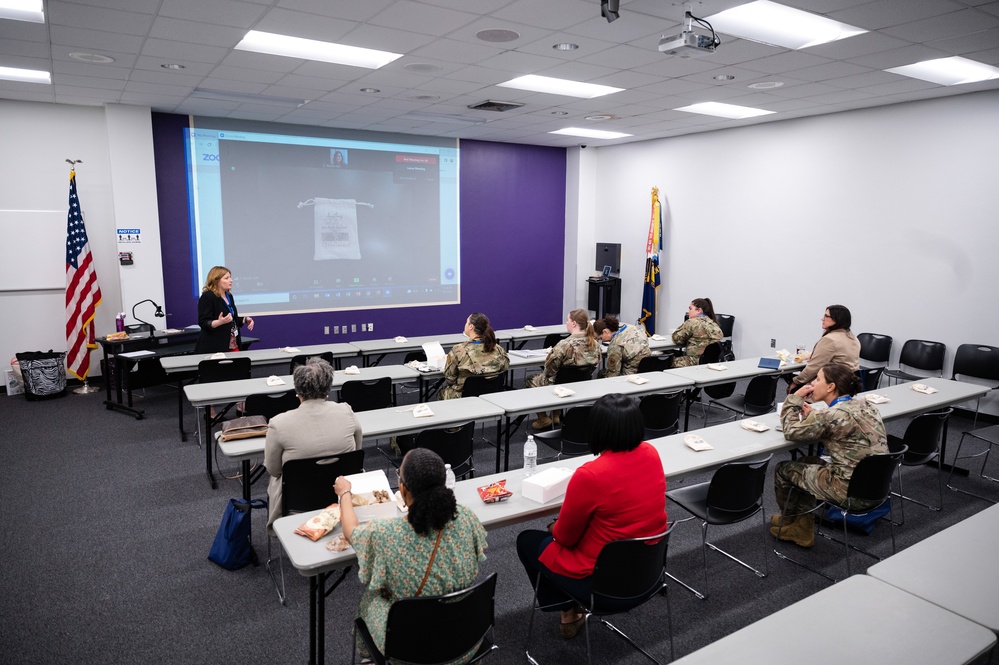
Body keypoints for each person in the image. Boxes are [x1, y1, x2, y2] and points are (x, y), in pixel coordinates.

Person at [517, 393, 667, 639]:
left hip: (605, 584)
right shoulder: (651, 452)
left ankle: (569, 613)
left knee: (528, 541)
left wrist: (553, 527)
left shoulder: (591, 474)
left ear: (597, 429)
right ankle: (570, 611)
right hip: (647, 573)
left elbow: (565, 538)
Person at [334, 449, 488, 663]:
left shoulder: (385, 533)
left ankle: (370, 658)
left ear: (404, 489)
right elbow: (476, 554)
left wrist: (344, 494)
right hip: (465, 640)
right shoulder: (466, 517)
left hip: (410, 649)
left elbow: (350, 531)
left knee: (371, 599)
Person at [771, 363, 887, 548]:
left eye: (818, 379)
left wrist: (794, 399)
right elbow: (840, 421)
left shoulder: (829, 416)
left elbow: (791, 431)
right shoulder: (866, 405)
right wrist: (817, 415)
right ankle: (800, 522)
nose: (813, 383)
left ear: (831, 386)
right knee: (807, 462)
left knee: (783, 469)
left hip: (849, 492)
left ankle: (792, 523)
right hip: (876, 489)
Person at [263, 358, 361, 531]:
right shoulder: (347, 411)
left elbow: (274, 470)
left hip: (298, 500)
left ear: (297, 389)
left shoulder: (278, 423)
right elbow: (356, 451)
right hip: (342, 493)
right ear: (328, 388)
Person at [524, 309, 602, 430]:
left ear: (574, 323)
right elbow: (596, 364)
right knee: (560, 378)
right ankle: (556, 414)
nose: (566, 323)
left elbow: (550, 370)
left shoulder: (564, 345)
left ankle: (543, 418)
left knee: (530, 379)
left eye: (568, 320)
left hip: (559, 385)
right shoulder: (595, 344)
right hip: (582, 384)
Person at [787, 304, 860, 394]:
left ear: (837, 319)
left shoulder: (830, 339)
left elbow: (813, 368)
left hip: (830, 387)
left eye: (826, 316)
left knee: (793, 391)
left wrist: (795, 381)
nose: (822, 319)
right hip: (847, 386)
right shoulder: (853, 338)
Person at [439, 312, 510, 400]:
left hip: (464, 396)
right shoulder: (498, 349)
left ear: (471, 327)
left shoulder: (458, 350)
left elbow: (449, 378)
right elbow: (504, 368)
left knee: (442, 392)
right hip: (491, 396)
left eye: (466, 322)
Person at [195, 265, 254, 353]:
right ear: (216, 280)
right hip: (214, 347)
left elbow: (231, 319)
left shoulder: (229, 296)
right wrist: (219, 322)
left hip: (233, 344)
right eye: (226, 278)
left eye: (230, 277)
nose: (231, 280)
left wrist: (245, 320)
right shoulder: (207, 297)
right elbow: (203, 322)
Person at [671, 298, 723, 367]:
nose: (688, 311)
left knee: (666, 362)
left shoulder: (692, 322)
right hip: (711, 363)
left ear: (698, 310)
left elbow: (676, 339)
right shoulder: (713, 323)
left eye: (690, 308)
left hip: (694, 361)